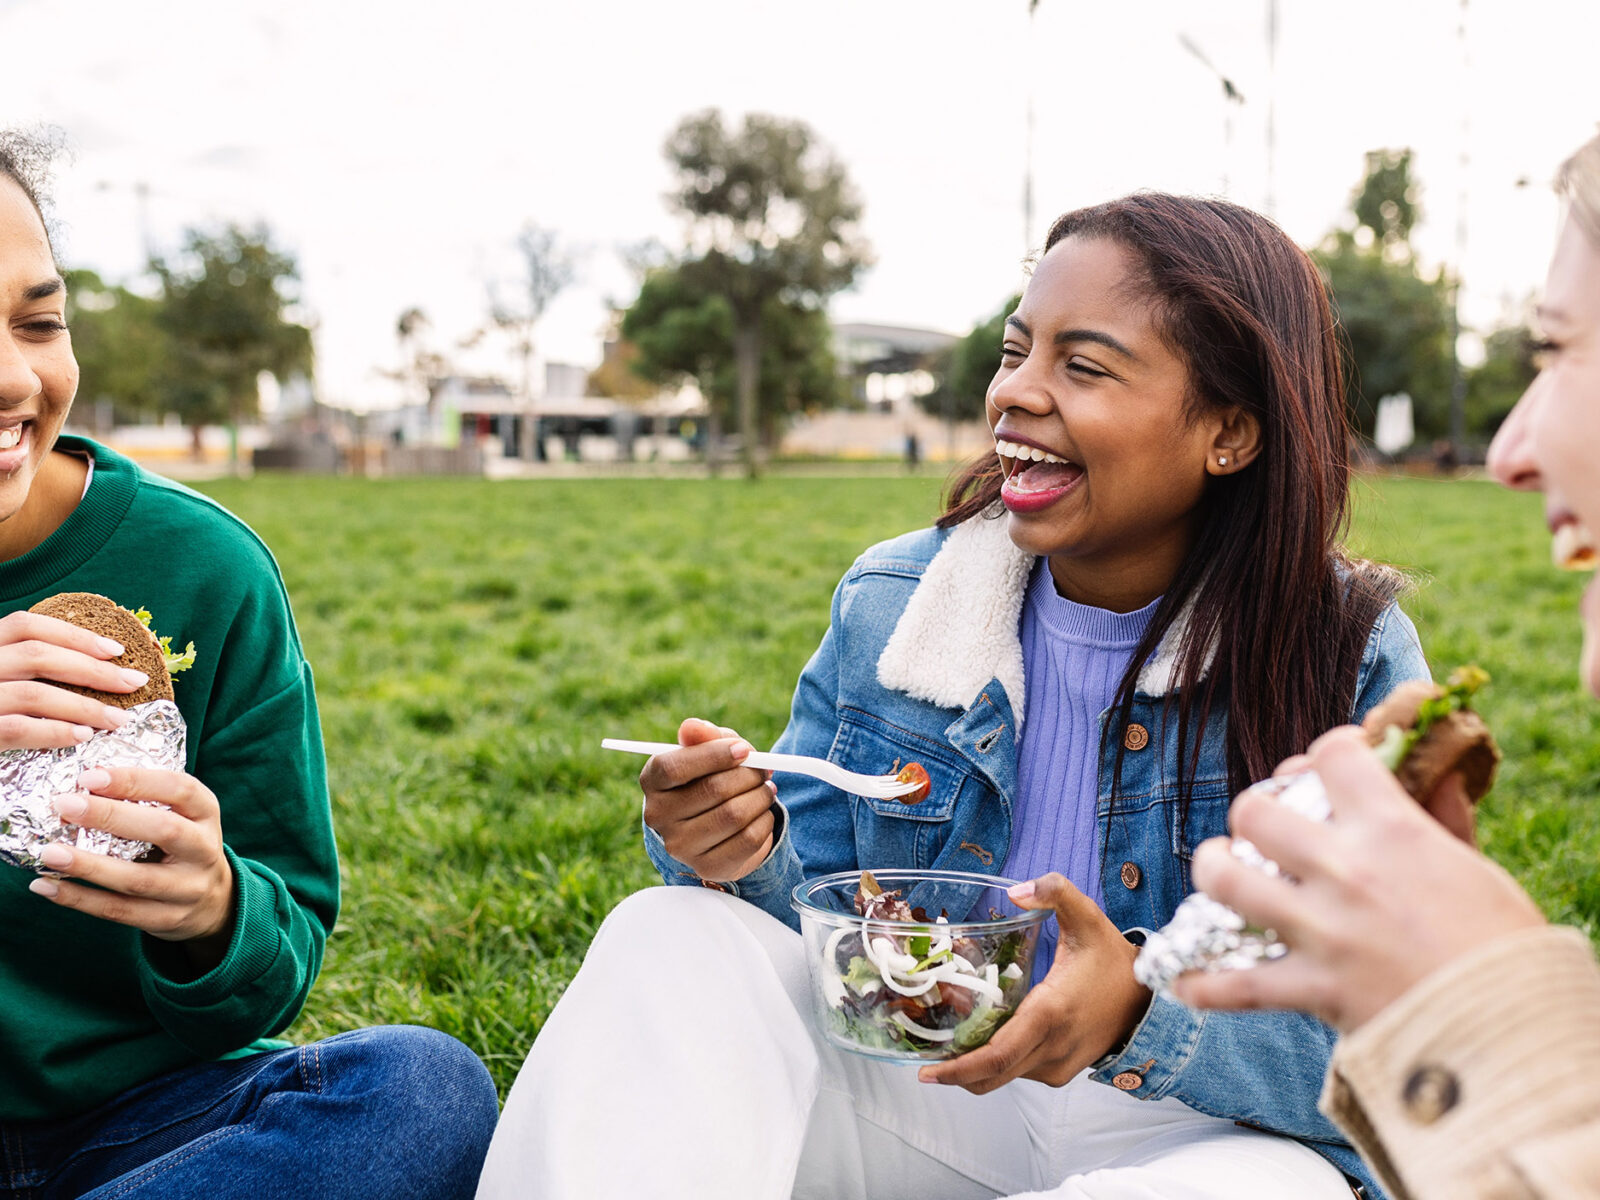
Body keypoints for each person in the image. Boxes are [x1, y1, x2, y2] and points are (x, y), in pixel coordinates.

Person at [476, 192, 1430, 1200]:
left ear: (1227, 434)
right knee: (667, 935)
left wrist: (1138, 1013)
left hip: (1199, 1139)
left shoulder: (1347, 657)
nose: (1014, 393)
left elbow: (1396, 1051)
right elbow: (812, 921)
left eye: (1083, 366)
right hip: (929, 1080)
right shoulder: (897, 603)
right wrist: (739, 849)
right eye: (1016, 351)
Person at [0, 132, 498, 1198]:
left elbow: (275, 963)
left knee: (423, 1093)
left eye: (37, 322)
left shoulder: (201, 569)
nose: (13, 377)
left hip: (138, 1127)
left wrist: (214, 912)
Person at [1173, 134, 1600, 1199]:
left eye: (1557, 353)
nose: (1506, 452)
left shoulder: (1348, 636)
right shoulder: (892, 593)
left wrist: (1476, 1006)